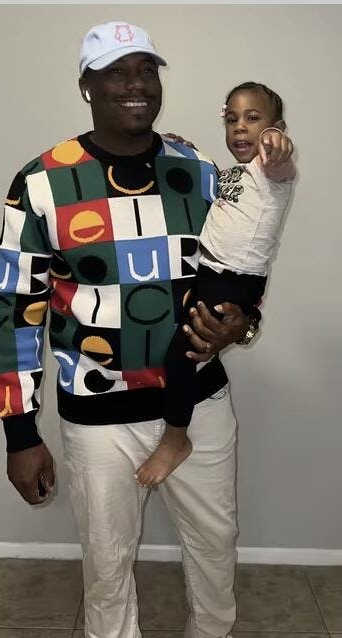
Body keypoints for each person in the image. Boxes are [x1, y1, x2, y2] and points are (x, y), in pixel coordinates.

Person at [0, 21, 294, 638]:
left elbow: (242, 261)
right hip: (98, 416)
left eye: (147, 70)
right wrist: (19, 432)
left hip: (200, 403)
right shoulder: (42, 181)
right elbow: (17, 310)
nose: (137, 84)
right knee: (107, 573)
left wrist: (243, 324)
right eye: (117, 72)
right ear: (87, 86)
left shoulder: (199, 170)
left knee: (216, 553)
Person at [135, 81, 295, 487]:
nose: (240, 127)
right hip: (211, 272)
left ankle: (175, 440)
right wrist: (184, 150)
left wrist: (277, 144)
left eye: (253, 119)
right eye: (231, 119)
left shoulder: (272, 171)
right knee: (184, 343)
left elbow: (281, 160)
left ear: (276, 128)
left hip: (234, 278)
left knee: (181, 355)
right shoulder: (237, 173)